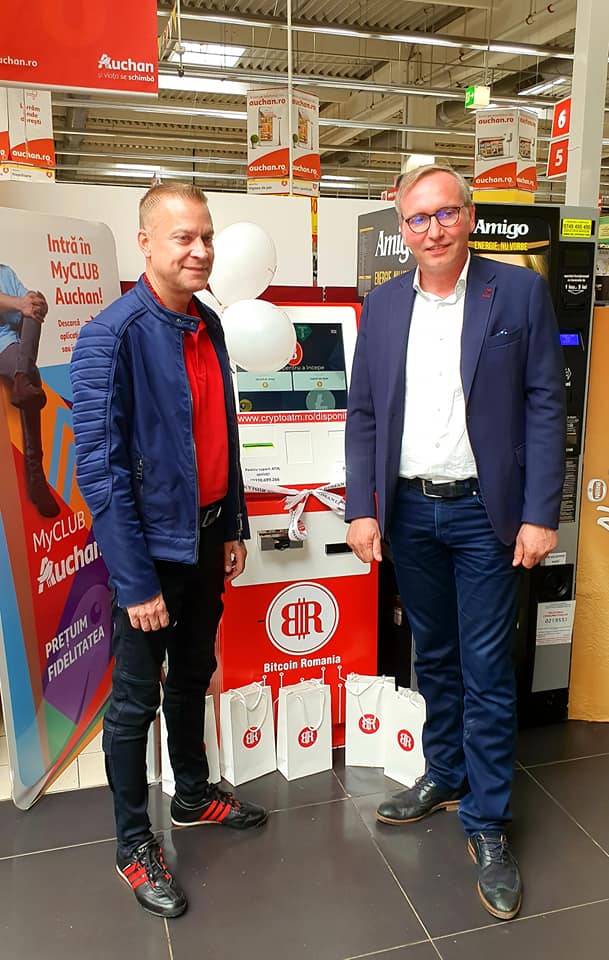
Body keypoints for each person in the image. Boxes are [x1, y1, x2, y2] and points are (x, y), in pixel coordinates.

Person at [345, 164, 565, 922]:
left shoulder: (518, 292)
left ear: (469, 217)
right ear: (401, 227)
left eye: (445, 214)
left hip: (484, 514)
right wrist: (363, 507)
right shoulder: (381, 304)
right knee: (431, 654)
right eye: (417, 218)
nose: (432, 229)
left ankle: (489, 821)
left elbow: (544, 403)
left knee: (487, 668)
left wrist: (540, 512)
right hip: (408, 512)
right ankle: (444, 773)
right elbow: (363, 414)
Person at [70, 183, 267, 920]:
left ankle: (191, 794)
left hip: (207, 533)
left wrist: (233, 523)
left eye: (206, 236)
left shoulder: (207, 322)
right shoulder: (111, 336)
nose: (201, 250)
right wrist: (133, 581)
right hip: (150, 553)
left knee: (192, 673)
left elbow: (221, 434)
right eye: (183, 237)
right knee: (133, 700)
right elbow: (101, 473)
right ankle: (131, 845)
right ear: (146, 242)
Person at [0, 266, 60, 518]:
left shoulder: (6, 272)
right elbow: (20, 305)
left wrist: (37, 304)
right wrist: (20, 304)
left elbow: (28, 303)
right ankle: (37, 478)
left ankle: (22, 376)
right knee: (30, 379)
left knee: (34, 303)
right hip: (2, 346)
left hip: (16, 346)